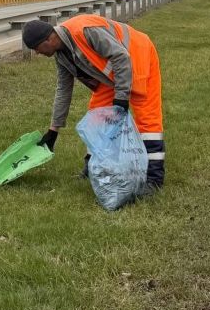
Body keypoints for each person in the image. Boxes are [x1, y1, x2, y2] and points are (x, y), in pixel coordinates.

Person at [21, 14, 164, 191]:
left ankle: (154, 180)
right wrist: (53, 130)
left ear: (49, 39)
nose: (37, 52)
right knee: (96, 117)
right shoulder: (61, 55)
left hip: (138, 56)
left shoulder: (85, 30)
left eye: (37, 47)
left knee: (147, 118)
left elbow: (121, 56)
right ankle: (91, 167)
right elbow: (63, 91)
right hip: (112, 74)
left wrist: (121, 98)